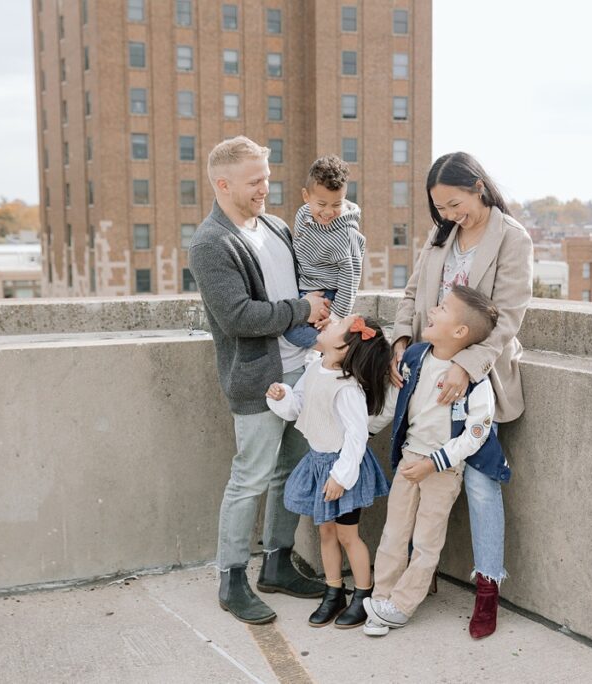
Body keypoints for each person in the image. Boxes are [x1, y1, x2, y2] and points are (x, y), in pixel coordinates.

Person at [390, 152, 533, 639]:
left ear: (478, 186)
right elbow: (412, 296)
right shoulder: (440, 236)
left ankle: (488, 587)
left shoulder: (513, 239)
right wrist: (401, 342)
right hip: (425, 377)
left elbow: (508, 318)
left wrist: (465, 368)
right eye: (441, 208)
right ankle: (415, 577)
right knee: (414, 477)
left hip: (480, 381)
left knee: (478, 483)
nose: (450, 215)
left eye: (455, 203)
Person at [189, 136, 331, 625]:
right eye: (255, 181)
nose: (265, 188)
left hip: (302, 369)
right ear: (223, 183)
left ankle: (277, 564)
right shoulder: (212, 243)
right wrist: (302, 308)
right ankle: (231, 580)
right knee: (249, 478)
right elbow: (238, 317)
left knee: (289, 471)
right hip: (258, 379)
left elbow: (302, 282)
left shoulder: (275, 226)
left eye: (267, 178)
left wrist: (317, 308)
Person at [364, 286, 506, 637]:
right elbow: (392, 406)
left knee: (427, 541)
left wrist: (436, 463)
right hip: (410, 459)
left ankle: (401, 605)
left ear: (460, 332)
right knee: (394, 533)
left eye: (441, 308)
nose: (431, 311)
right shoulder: (414, 357)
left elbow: (476, 434)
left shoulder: (476, 382)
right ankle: (381, 597)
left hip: (442, 469)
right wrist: (359, 433)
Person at [266, 314, 394, 628]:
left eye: (336, 325)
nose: (327, 323)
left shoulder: (347, 388)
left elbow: (356, 435)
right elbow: (299, 405)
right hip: (318, 462)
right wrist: (283, 396)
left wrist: (340, 476)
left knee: (347, 535)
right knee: (325, 532)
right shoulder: (314, 367)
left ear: (341, 348)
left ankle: (363, 595)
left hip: (342, 467)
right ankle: (333, 590)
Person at [282, 155, 366, 349]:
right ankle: (327, 350)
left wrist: (336, 317)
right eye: (321, 204)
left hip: (328, 295)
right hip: (303, 289)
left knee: (290, 329)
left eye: (336, 204)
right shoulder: (303, 215)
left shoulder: (347, 234)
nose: (328, 212)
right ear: (306, 196)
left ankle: (337, 348)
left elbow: (350, 280)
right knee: (285, 320)